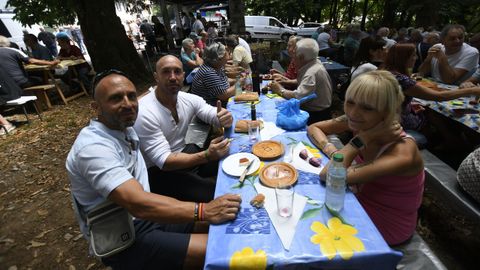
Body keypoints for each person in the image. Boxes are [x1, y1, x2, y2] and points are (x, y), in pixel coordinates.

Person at [66, 69, 241, 269]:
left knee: (232, 223)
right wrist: (204, 210)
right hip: (126, 235)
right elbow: (138, 203)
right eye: (115, 99)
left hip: (150, 217)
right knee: (229, 251)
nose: (127, 104)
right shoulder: (93, 149)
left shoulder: (123, 126)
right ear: (96, 107)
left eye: (131, 96)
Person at [307, 70, 425, 246]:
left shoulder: (402, 152)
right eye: (350, 102)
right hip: (358, 201)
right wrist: (332, 151)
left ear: (387, 112)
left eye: (367, 107)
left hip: (386, 227)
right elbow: (314, 128)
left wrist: (360, 141)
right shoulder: (364, 121)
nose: (354, 112)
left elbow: (329, 175)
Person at [133, 55, 233, 202]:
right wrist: (206, 156)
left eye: (177, 72)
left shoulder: (187, 99)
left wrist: (223, 118)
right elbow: (165, 161)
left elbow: (210, 112)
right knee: (215, 193)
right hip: (158, 172)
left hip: (184, 154)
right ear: (156, 77)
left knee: (232, 159)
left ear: (184, 75)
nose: (173, 77)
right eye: (166, 72)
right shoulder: (144, 112)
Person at [384, 43, 480, 131]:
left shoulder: (387, 71)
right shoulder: (401, 79)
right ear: (404, 58)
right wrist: (472, 90)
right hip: (398, 121)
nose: (416, 58)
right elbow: (440, 96)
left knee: (431, 112)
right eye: (413, 55)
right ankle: (447, 141)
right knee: (436, 117)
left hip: (389, 116)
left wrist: (408, 106)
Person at [270, 38, 332, 124]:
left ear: (301, 57)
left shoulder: (311, 72)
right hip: (316, 112)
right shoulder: (313, 63)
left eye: (295, 54)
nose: (292, 57)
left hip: (316, 116)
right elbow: (302, 83)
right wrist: (284, 80)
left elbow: (298, 96)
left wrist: (280, 90)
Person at [190, 43, 235, 107]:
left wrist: (236, 80)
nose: (229, 56)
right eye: (227, 53)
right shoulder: (208, 72)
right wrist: (239, 83)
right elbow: (224, 95)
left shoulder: (216, 66)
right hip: (211, 109)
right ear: (220, 58)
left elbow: (223, 80)